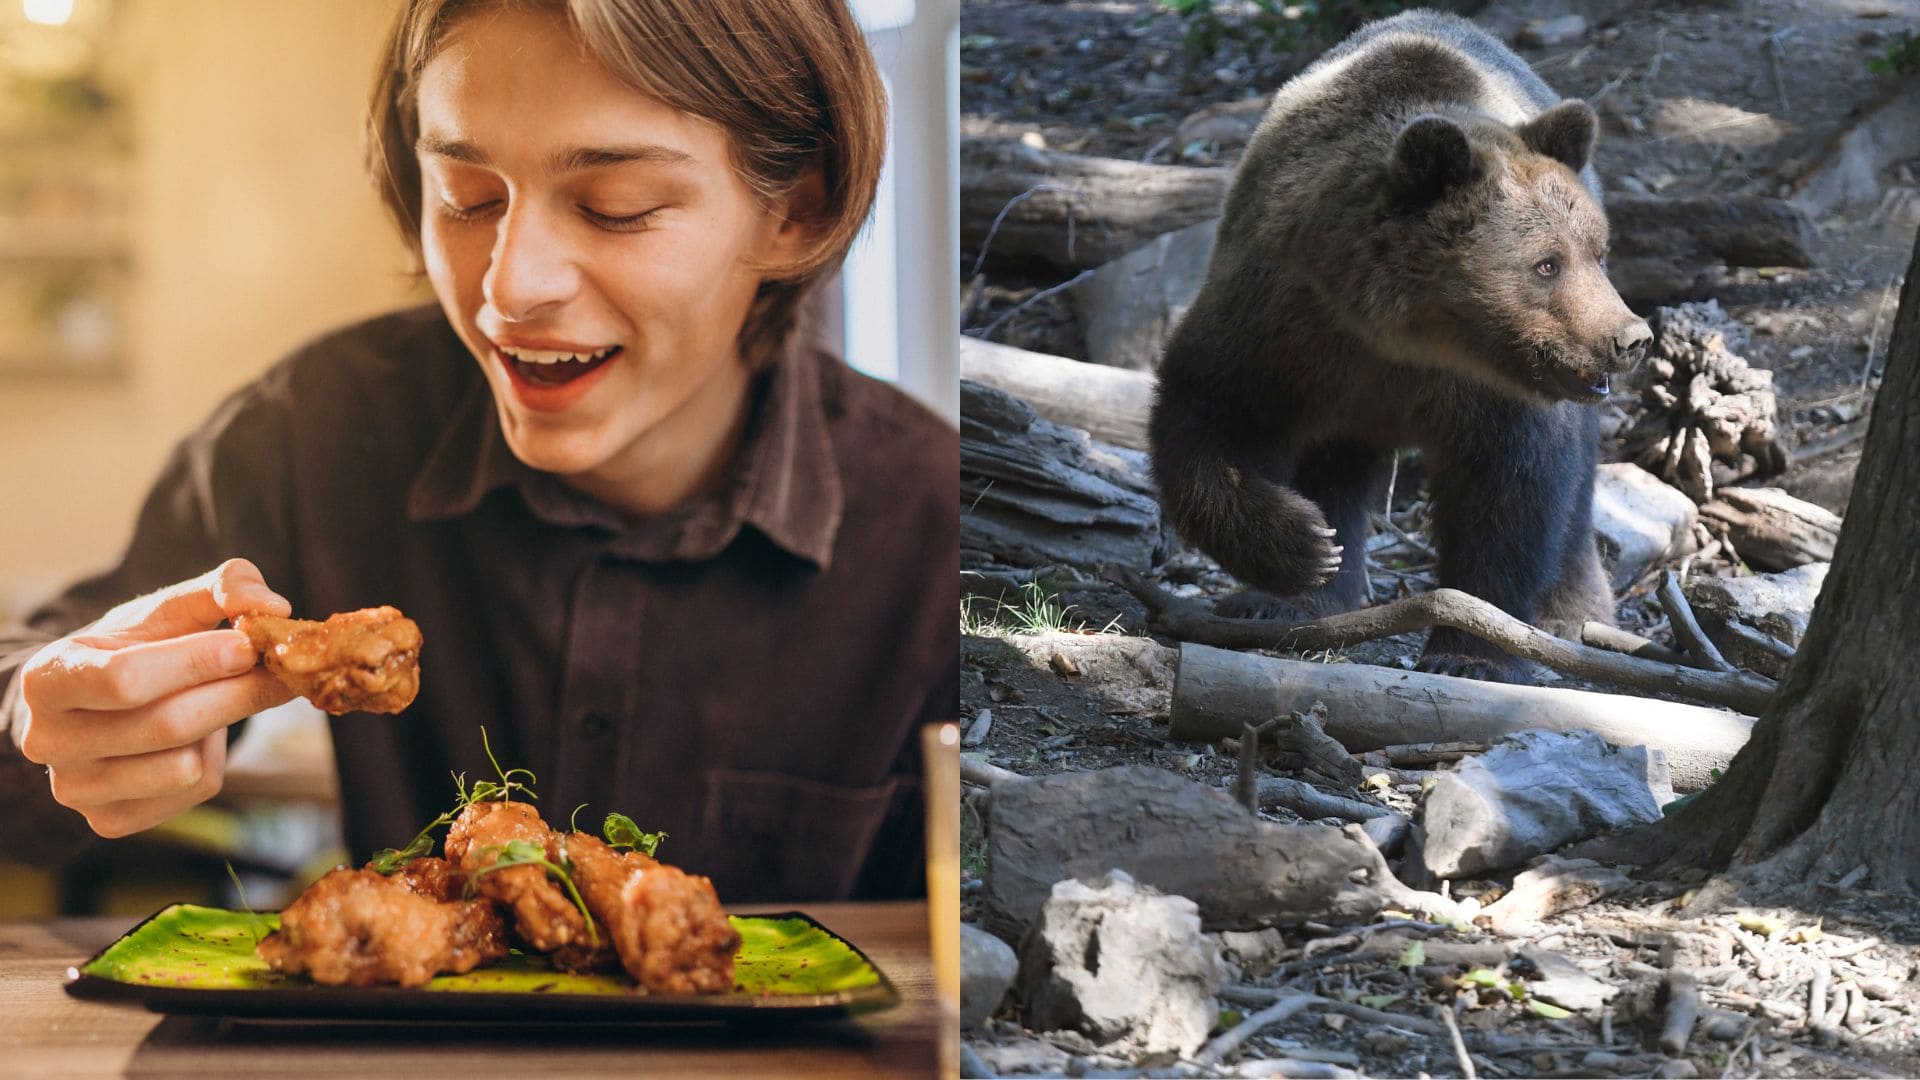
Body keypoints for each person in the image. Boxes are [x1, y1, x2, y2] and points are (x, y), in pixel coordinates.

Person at [0, 0, 956, 904]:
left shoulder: (938, 530)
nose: (510, 285)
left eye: (615, 204)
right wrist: (51, 715)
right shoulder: (321, 426)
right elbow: (50, 677)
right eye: (465, 196)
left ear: (797, 204)